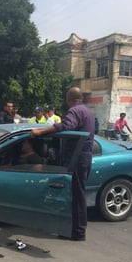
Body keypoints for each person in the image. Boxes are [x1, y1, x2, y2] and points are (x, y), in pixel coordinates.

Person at [30, 87, 95, 241]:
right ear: (82, 98)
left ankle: (78, 232)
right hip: (84, 157)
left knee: (77, 195)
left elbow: (66, 126)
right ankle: (74, 229)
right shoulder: (87, 111)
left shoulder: (74, 111)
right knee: (77, 194)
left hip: (77, 157)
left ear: (68, 99)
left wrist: (40, 132)